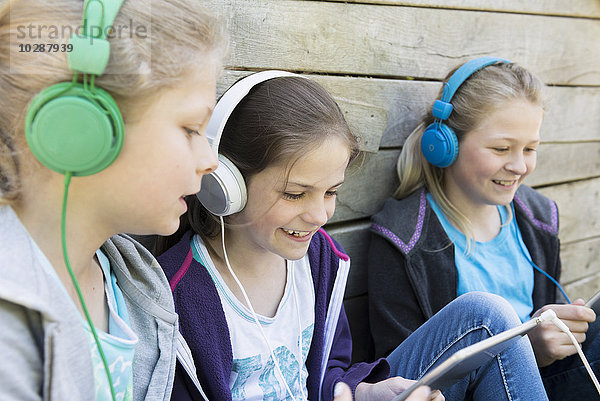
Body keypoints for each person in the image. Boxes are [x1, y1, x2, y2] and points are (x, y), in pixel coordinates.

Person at [156, 70, 549, 401]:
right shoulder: (178, 295)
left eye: (331, 193)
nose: (319, 215)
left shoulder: (320, 258)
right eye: (295, 193)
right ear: (223, 184)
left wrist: (362, 391)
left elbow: (329, 374)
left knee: (486, 315)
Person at [0, 0, 226, 400]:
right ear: (80, 129)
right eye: (191, 128)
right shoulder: (8, 333)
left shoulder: (136, 282)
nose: (210, 161)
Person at [367, 57, 600, 401]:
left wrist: (555, 334)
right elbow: (403, 375)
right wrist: (527, 347)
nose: (519, 166)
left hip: (539, 384)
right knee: (488, 314)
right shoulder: (402, 238)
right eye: (501, 148)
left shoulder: (538, 216)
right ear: (444, 144)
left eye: (530, 149)